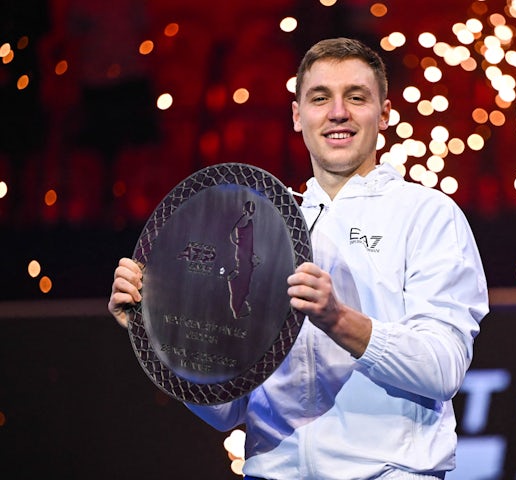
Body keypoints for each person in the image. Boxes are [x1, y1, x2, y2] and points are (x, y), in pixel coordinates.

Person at [109, 37, 489, 479]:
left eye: (357, 97)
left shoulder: (427, 214)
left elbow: (441, 368)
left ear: (384, 114)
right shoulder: (264, 222)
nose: (338, 113)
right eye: (320, 98)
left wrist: (339, 320)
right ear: (297, 114)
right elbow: (228, 410)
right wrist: (157, 331)